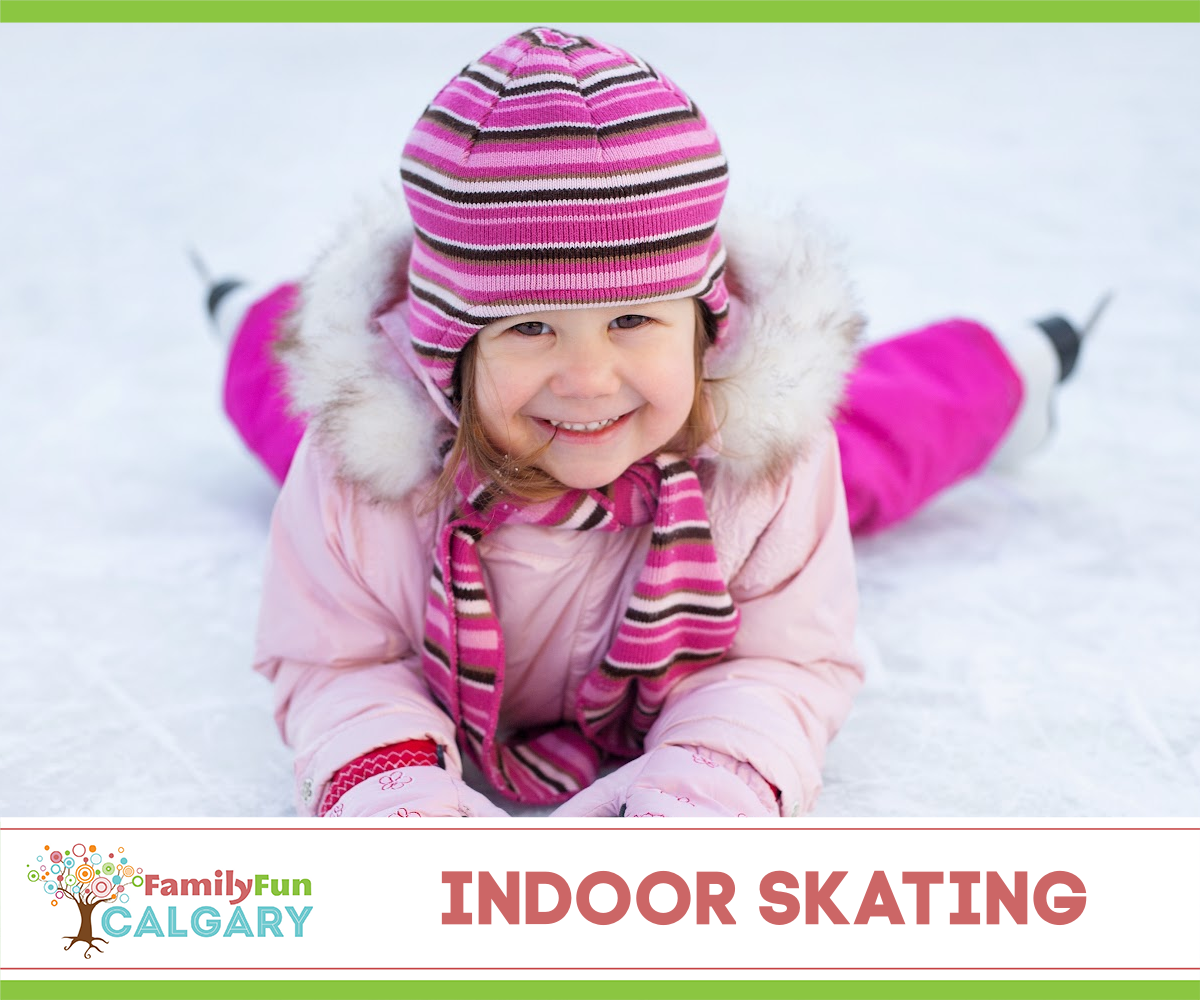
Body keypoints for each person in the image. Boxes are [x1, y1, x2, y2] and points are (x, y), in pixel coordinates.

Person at [214, 27, 1094, 819]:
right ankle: (252, 316)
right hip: (446, 455)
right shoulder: (363, 466)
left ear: (704, 323)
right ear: (446, 346)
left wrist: (713, 782)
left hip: (698, 455)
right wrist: (384, 784)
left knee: (873, 441)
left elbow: (781, 660)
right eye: (529, 327)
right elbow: (336, 659)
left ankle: (1008, 368)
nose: (589, 378)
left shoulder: (764, 463)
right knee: (299, 406)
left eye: (633, 320)